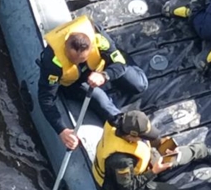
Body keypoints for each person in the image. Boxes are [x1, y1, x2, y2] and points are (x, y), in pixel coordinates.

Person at [37, 15, 147, 150]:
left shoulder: (98, 38)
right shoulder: (52, 62)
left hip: (100, 68)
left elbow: (120, 64)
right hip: (75, 81)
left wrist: (105, 75)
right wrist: (62, 129)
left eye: (81, 59)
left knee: (139, 84)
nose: (77, 62)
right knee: (101, 100)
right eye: (73, 59)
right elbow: (46, 98)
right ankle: (124, 126)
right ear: (65, 47)